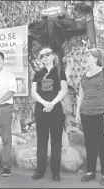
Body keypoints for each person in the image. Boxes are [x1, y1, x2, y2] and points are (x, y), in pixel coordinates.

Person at [76, 48, 104, 186]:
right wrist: (77, 112)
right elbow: (81, 95)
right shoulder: (84, 75)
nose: (85, 57)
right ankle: (90, 172)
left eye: (87, 55)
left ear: (95, 58)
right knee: (90, 144)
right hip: (86, 114)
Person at [31, 48, 68, 181]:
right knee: (41, 141)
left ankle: (55, 172)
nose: (45, 57)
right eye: (42, 56)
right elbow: (33, 92)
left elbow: (64, 90)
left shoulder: (59, 72)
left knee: (56, 142)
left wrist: (52, 103)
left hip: (56, 111)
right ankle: (39, 171)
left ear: (53, 56)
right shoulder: (38, 73)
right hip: (41, 110)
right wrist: (44, 103)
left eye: (47, 55)